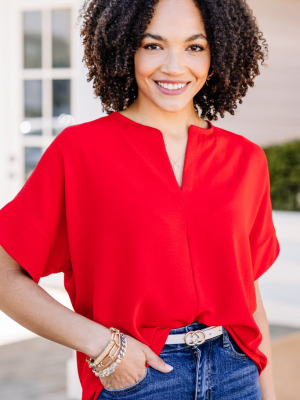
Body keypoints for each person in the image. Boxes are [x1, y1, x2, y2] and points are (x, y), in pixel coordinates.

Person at [0, 0, 280, 399]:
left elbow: (247, 293)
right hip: (138, 378)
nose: (173, 66)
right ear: (124, 49)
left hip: (237, 374)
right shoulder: (81, 151)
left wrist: (266, 391)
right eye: (153, 45)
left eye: (194, 47)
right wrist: (102, 345)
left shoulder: (246, 159)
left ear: (218, 54)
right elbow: (4, 275)